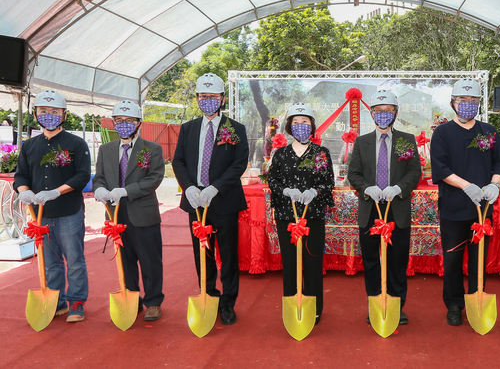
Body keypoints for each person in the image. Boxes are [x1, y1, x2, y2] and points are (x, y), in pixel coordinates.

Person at [172, 73, 249, 325]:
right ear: (196, 99)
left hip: (224, 200)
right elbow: (179, 161)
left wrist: (215, 188)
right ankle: (209, 295)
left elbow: (239, 164)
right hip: (195, 202)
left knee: (227, 253)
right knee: (201, 253)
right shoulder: (187, 128)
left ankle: (228, 301)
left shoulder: (235, 129)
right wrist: (189, 188)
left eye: (213, 97)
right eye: (203, 97)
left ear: (222, 99)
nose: (208, 101)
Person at [430, 78, 500, 326]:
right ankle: (454, 305)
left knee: (479, 258)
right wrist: (466, 186)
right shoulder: (442, 133)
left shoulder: (489, 131)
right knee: (453, 260)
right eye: (462, 100)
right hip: (453, 208)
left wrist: (494, 184)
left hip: (483, 208)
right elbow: (440, 168)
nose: (467, 105)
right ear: (453, 103)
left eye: (473, 101)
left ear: (478, 104)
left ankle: (477, 299)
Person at [14, 90, 91, 322]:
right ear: (36, 114)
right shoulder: (29, 146)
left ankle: (76, 301)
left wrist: (57, 191)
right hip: (40, 215)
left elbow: (82, 175)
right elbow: (21, 176)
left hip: (69, 211)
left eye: (54, 111)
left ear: (64, 115)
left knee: (74, 259)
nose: (49, 115)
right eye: (44, 111)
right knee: (50, 262)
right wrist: (24, 192)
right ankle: (55, 300)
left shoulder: (76, 143)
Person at [348, 89, 421, 325]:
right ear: (371, 114)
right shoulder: (361, 141)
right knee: (371, 260)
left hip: (396, 208)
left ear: (396, 113)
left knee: (397, 260)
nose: (383, 115)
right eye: (378, 111)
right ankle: (375, 303)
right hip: (370, 208)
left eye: (388, 111)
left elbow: (414, 171)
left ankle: (397, 306)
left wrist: (399, 188)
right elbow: (354, 174)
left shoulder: (406, 140)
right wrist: (366, 188)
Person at [92, 101, 166, 320]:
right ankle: (132, 297)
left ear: (139, 122)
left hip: (143, 214)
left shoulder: (152, 149)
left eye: (129, 121)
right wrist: (99, 190)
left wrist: (125, 191)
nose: (124, 125)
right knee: (125, 261)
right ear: (114, 123)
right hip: (115, 215)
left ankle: (153, 302)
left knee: (150, 260)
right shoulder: (106, 150)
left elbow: (154, 178)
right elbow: (99, 178)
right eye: (119, 121)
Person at [268, 104, 335, 324]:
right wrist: (285, 191)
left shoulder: (321, 153)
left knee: (313, 261)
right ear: (289, 126)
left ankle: (314, 308)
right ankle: (291, 302)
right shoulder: (280, 153)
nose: (300, 126)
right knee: (290, 262)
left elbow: (329, 182)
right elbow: (273, 180)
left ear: (313, 125)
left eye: (305, 121)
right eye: (295, 122)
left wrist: (315, 191)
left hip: (313, 215)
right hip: (287, 217)